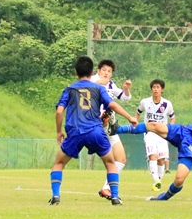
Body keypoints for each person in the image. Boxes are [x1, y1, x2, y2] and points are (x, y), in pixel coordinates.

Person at [114, 73, 192, 201]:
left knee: (179, 180)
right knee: (153, 125)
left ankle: (162, 198)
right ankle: (116, 129)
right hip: (184, 132)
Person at [49, 56, 137, 206]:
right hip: (95, 132)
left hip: (75, 132)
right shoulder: (99, 88)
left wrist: (58, 131)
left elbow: (59, 112)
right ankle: (115, 197)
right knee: (110, 163)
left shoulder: (69, 89)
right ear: (92, 72)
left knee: (59, 163)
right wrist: (129, 117)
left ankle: (56, 196)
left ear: (76, 72)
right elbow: (113, 105)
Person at [91, 59, 131, 200]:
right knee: (67, 155)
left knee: (121, 159)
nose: (106, 73)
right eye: (104, 70)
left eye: (109, 71)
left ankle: (106, 188)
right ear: (98, 71)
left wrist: (126, 89)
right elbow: (84, 89)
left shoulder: (111, 84)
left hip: (108, 125)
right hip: (92, 124)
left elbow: (125, 98)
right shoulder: (92, 80)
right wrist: (98, 83)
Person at [137, 79, 175, 191]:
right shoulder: (145, 102)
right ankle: (156, 181)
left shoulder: (167, 104)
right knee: (152, 156)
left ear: (162, 90)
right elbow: (138, 113)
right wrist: (135, 125)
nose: (156, 89)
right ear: (151, 89)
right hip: (149, 133)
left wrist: (170, 129)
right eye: (154, 87)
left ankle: (159, 181)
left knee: (161, 160)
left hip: (162, 135)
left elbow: (172, 117)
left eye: (158, 87)